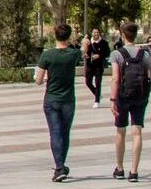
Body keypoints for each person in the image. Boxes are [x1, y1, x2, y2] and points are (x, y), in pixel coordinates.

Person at [110, 20, 151, 183]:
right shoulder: (144, 54)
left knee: (120, 131)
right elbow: (150, 74)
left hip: (123, 96)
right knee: (137, 131)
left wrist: (112, 99)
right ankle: (134, 171)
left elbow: (116, 78)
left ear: (122, 35)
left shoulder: (117, 54)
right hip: (140, 95)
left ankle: (120, 168)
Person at [35, 23, 81, 183]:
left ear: (55, 35)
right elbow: (82, 53)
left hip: (51, 99)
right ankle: (61, 165)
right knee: (64, 132)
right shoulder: (73, 54)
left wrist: (47, 76)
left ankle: (59, 166)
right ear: (69, 36)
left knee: (54, 132)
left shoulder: (47, 55)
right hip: (68, 99)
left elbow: (38, 80)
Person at [83, 28, 109, 107]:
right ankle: (96, 93)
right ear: (92, 33)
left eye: (97, 32)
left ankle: (97, 101)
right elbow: (84, 51)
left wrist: (99, 55)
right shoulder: (88, 43)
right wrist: (85, 55)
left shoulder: (104, 43)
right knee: (88, 82)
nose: (96, 34)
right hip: (90, 65)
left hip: (99, 65)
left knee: (98, 82)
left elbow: (107, 52)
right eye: (94, 32)